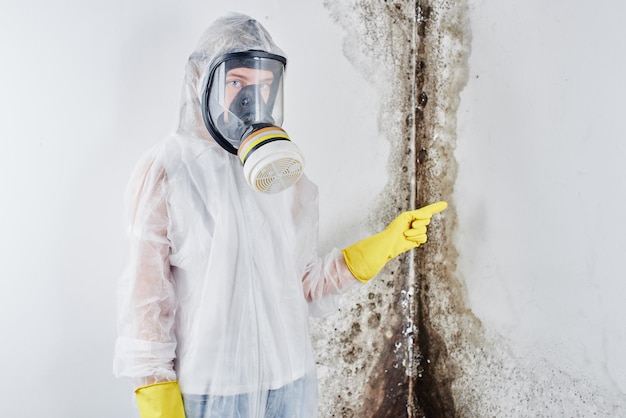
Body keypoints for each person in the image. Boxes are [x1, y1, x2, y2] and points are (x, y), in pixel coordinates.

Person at [113, 12, 447, 418]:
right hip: (211, 395)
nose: (250, 102)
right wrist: (157, 398)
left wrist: (380, 246)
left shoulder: (280, 175)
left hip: (291, 384)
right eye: (236, 83)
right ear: (200, 79)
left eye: (264, 86)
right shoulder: (165, 172)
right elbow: (146, 305)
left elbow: (302, 285)